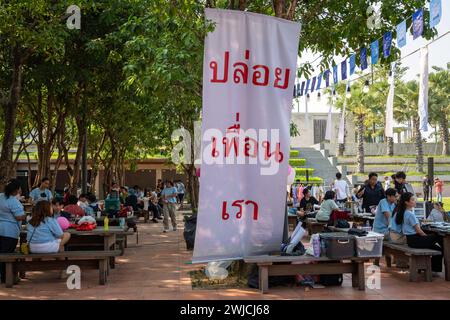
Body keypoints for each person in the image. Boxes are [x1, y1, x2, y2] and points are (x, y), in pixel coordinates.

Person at [395, 192, 443, 274]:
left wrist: (427, 237)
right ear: (406, 202)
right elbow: (418, 231)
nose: (415, 201)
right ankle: (435, 267)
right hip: (415, 240)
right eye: (412, 200)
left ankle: (433, 268)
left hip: (411, 240)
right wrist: (426, 237)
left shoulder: (405, 212)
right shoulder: (410, 214)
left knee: (438, 249)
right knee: (438, 237)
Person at [0, 179, 26, 283]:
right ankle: (6, 278)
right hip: (9, 232)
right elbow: (19, 217)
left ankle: (3, 276)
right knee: (7, 255)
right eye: (19, 188)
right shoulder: (14, 201)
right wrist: (25, 216)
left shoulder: (1, 196)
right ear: (16, 190)